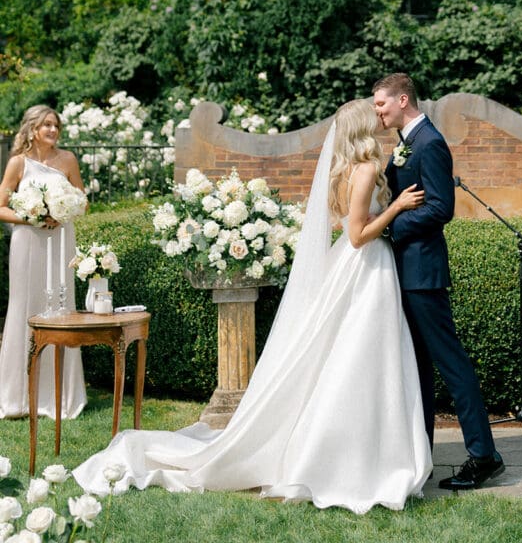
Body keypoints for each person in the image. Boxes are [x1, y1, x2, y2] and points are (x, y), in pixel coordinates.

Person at [74, 99, 432, 513]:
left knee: (346, 357)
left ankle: (355, 450)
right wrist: (396, 207)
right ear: (361, 129)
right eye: (372, 116)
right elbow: (356, 234)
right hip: (364, 266)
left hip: (354, 268)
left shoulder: (346, 169)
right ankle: (358, 458)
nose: (379, 118)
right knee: (361, 357)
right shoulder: (366, 169)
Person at [372, 72, 504, 490]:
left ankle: (484, 455)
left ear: (403, 99)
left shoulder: (430, 143)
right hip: (406, 270)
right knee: (419, 367)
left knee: (451, 363)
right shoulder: (405, 143)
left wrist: (391, 226)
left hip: (422, 272)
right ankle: (420, 452)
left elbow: (440, 208)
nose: (378, 111)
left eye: (382, 104)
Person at [0, 105, 87, 419]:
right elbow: (1, 207)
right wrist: (30, 216)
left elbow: (82, 199)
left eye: (56, 125)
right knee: (25, 308)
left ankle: (60, 395)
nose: (52, 130)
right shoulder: (17, 163)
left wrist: (63, 210)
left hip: (61, 240)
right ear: (32, 129)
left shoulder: (68, 160)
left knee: (62, 308)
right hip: (27, 242)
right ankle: (17, 396)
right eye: (46, 125)